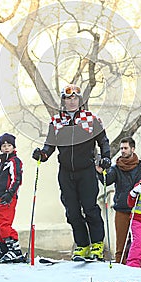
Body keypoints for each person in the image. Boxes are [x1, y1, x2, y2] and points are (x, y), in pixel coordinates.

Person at [32, 83, 111, 261]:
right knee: (72, 211)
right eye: (68, 98)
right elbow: (49, 145)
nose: (72, 101)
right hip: (66, 172)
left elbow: (103, 141)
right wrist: (42, 155)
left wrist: (106, 158)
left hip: (86, 171)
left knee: (90, 208)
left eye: (75, 98)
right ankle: (82, 245)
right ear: (63, 101)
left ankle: (97, 244)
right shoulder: (56, 121)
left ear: (80, 100)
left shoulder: (91, 119)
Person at [96, 137, 141, 264]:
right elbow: (107, 181)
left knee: (140, 243)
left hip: (139, 210)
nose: (123, 151)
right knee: (121, 244)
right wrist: (100, 172)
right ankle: (120, 267)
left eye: (125, 148)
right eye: (121, 148)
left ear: (133, 149)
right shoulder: (116, 167)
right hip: (122, 209)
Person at [0, 133, 24, 263]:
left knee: (3, 224)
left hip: (8, 198)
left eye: (9, 145)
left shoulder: (14, 162)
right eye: (3, 145)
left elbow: (17, 179)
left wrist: (10, 193)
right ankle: (4, 250)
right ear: (0, 148)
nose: (6, 148)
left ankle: (15, 251)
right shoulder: (0, 164)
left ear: (13, 147)